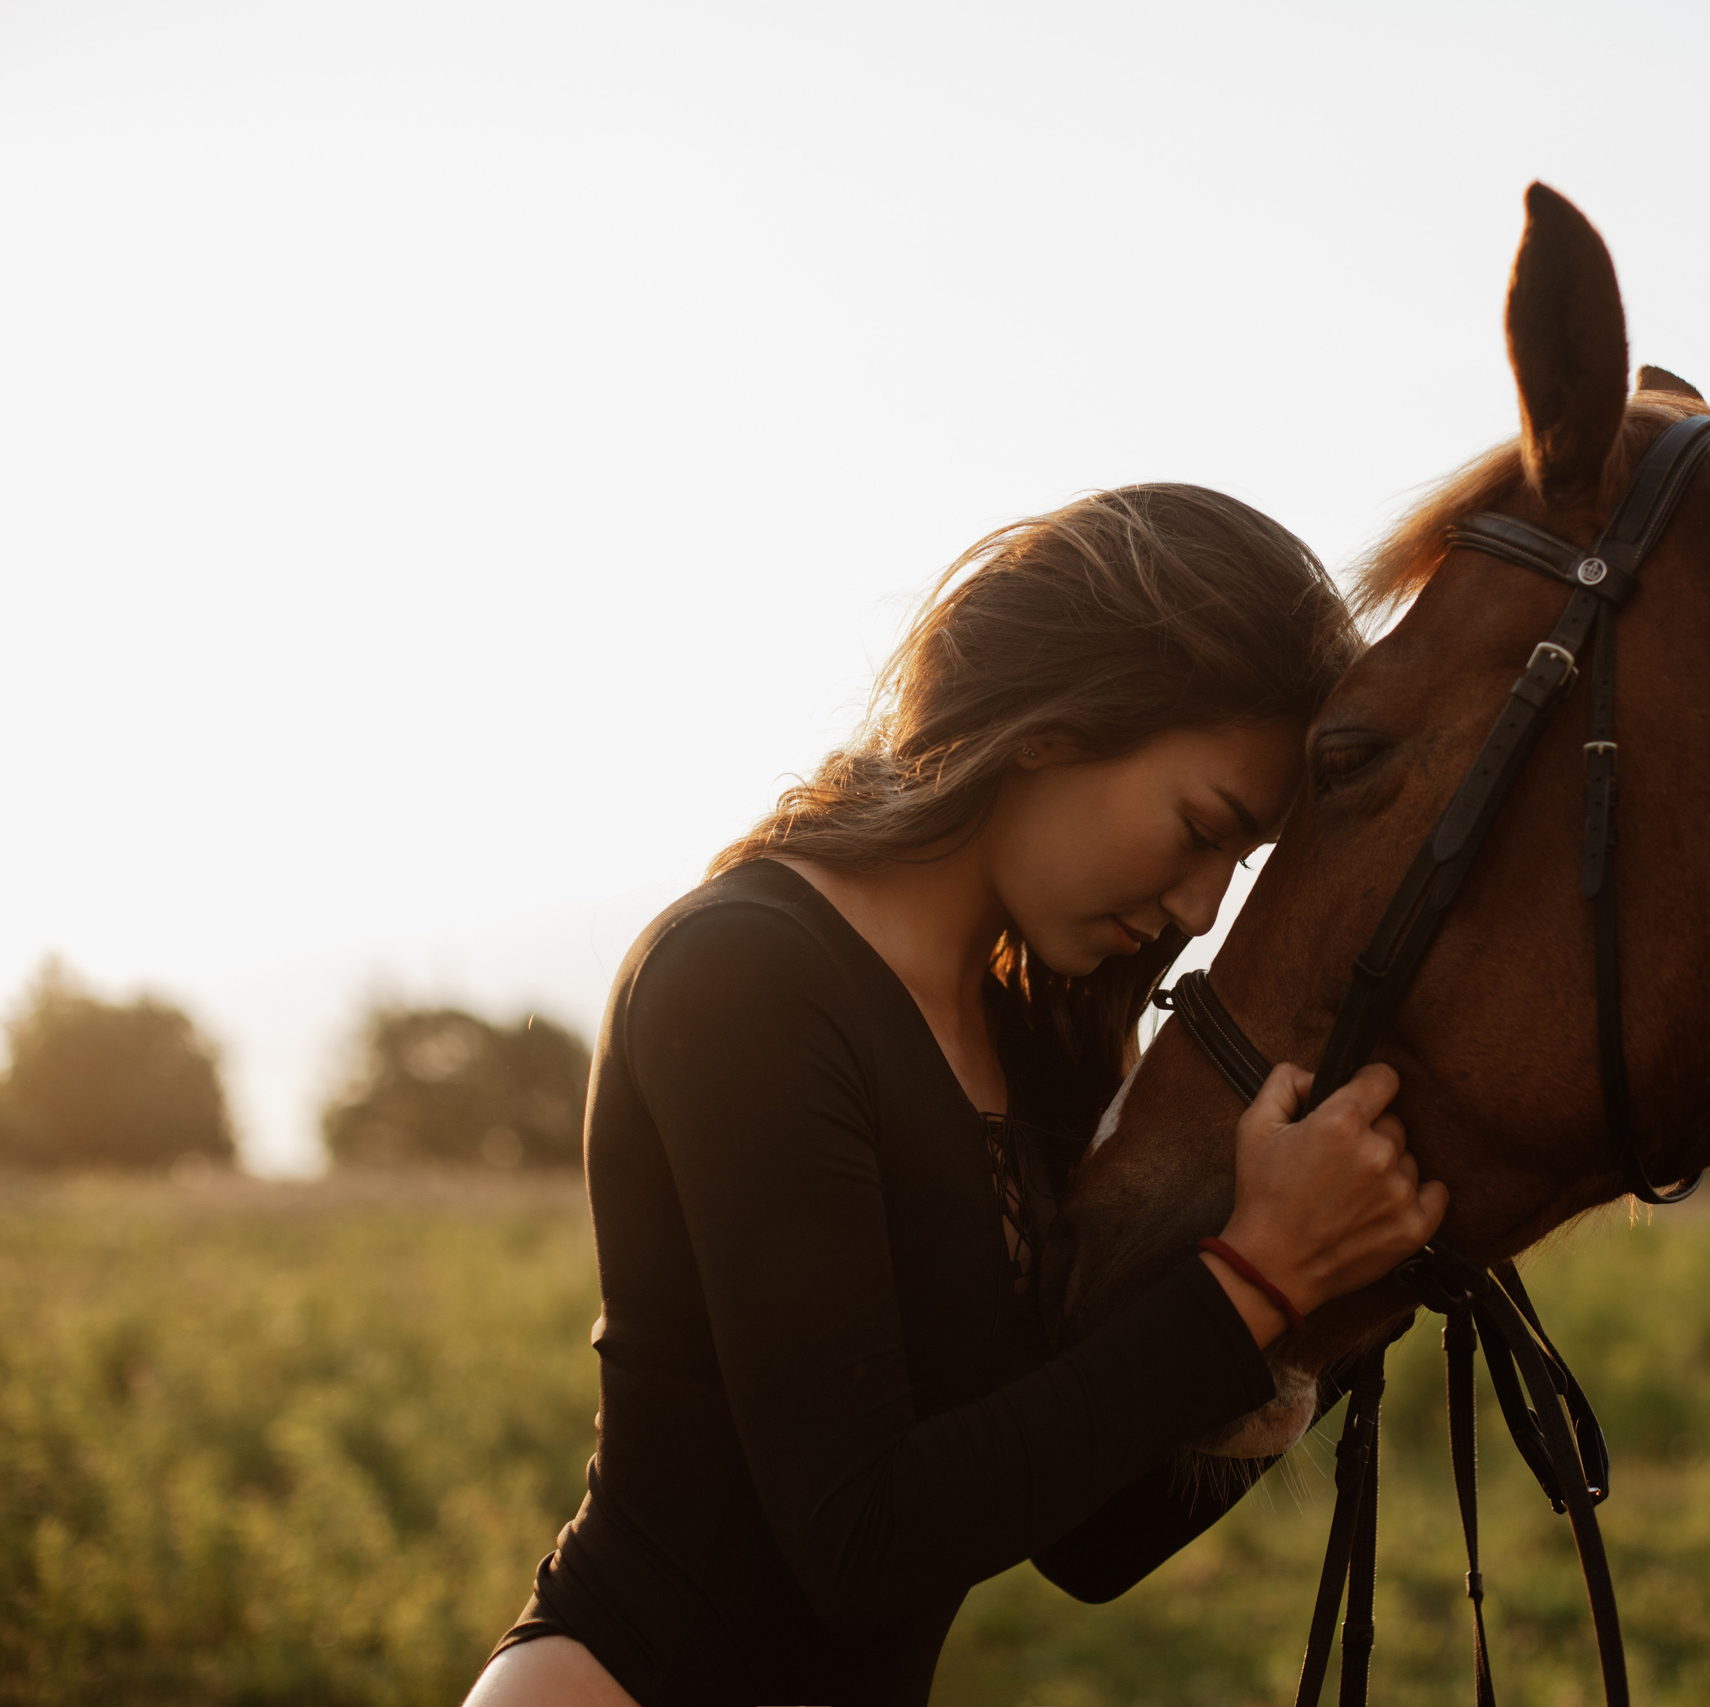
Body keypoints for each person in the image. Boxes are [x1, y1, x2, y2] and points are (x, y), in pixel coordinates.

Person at [462, 485, 1448, 1707]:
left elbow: (1086, 1543)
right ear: (1055, 724)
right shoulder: (745, 977)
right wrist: (1254, 1277)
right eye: (1201, 827)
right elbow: (860, 1539)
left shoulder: (1042, 1044)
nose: (1201, 909)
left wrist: (1349, 1273)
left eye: (1234, 865)